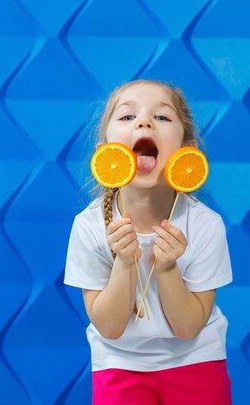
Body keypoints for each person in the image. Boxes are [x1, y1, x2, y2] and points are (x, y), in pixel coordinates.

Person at [64, 79, 233, 405]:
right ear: (106, 153)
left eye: (162, 117)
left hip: (196, 357)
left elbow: (189, 328)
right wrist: (125, 261)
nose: (144, 122)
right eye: (127, 117)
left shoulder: (205, 225)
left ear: (188, 153)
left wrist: (167, 267)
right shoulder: (89, 226)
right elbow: (109, 328)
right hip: (119, 362)